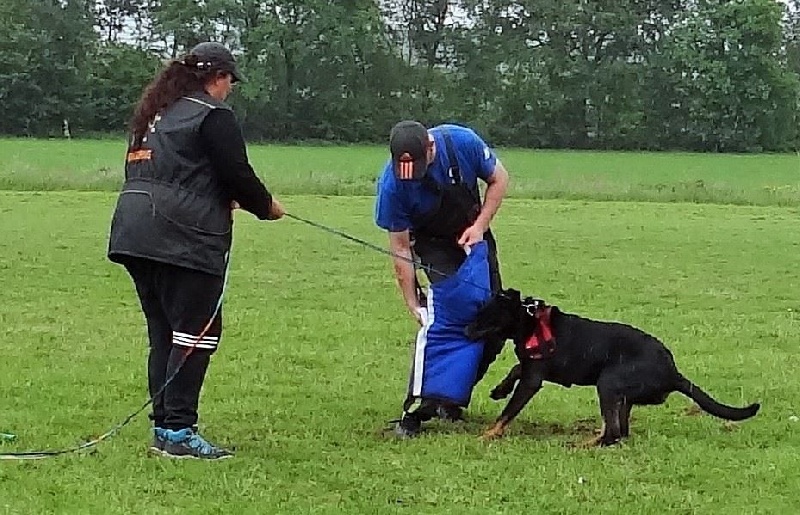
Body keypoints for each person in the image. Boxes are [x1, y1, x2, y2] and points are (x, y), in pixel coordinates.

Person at [107, 42, 285, 459]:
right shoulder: (211, 114)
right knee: (197, 334)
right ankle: (179, 432)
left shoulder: (154, 113)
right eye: (228, 82)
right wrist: (266, 207)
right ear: (217, 78)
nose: (228, 91)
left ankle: (164, 428)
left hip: (133, 228)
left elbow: (170, 170)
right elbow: (236, 171)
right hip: (182, 235)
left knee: (165, 333)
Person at [374, 120, 510, 437]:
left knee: (495, 324)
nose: (411, 176)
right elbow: (400, 247)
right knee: (451, 317)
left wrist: (479, 227)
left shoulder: (461, 142)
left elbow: (499, 180)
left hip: (475, 236)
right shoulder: (392, 185)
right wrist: (412, 301)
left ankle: (451, 398)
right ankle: (419, 406)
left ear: (431, 148)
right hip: (434, 245)